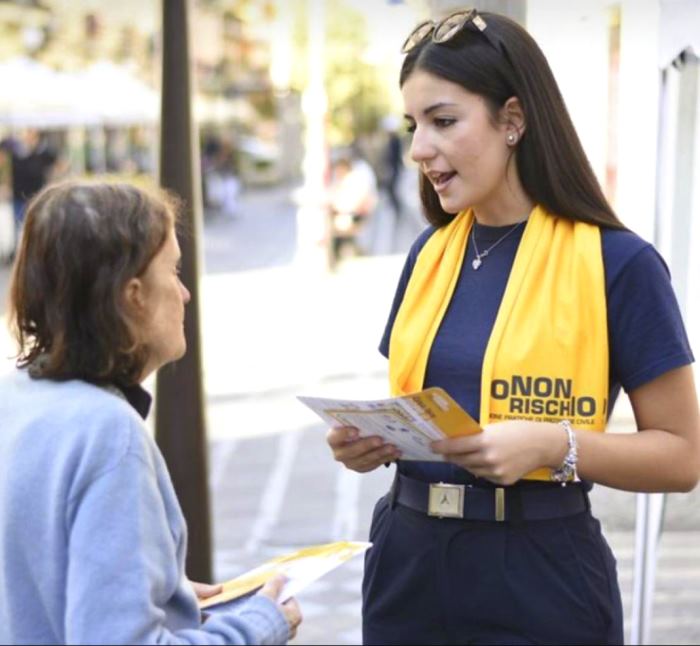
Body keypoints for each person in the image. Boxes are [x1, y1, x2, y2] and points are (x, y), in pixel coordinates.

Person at [325, 10, 700, 645]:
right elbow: (422, 409)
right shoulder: (431, 253)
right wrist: (367, 445)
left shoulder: (619, 263)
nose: (419, 150)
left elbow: (683, 456)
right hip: (407, 563)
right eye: (414, 125)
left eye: (443, 121)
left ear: (513, 120)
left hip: (541, 571)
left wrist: (555, 445)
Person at [0, 181, 302, 645]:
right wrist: (259, 624)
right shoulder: (106, 434)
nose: (184, 293)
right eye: (174, 271)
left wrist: (163, 594)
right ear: (133, 294)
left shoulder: (17, 399)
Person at [327, 151, 378, 267]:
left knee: (335, 226)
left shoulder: (355, 177)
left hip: (358, 213)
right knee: (334, 224)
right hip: (354, 211)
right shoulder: (352, 176)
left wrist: (338, 206)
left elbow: (355, 202)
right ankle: (342, 253)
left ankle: (338, 256)